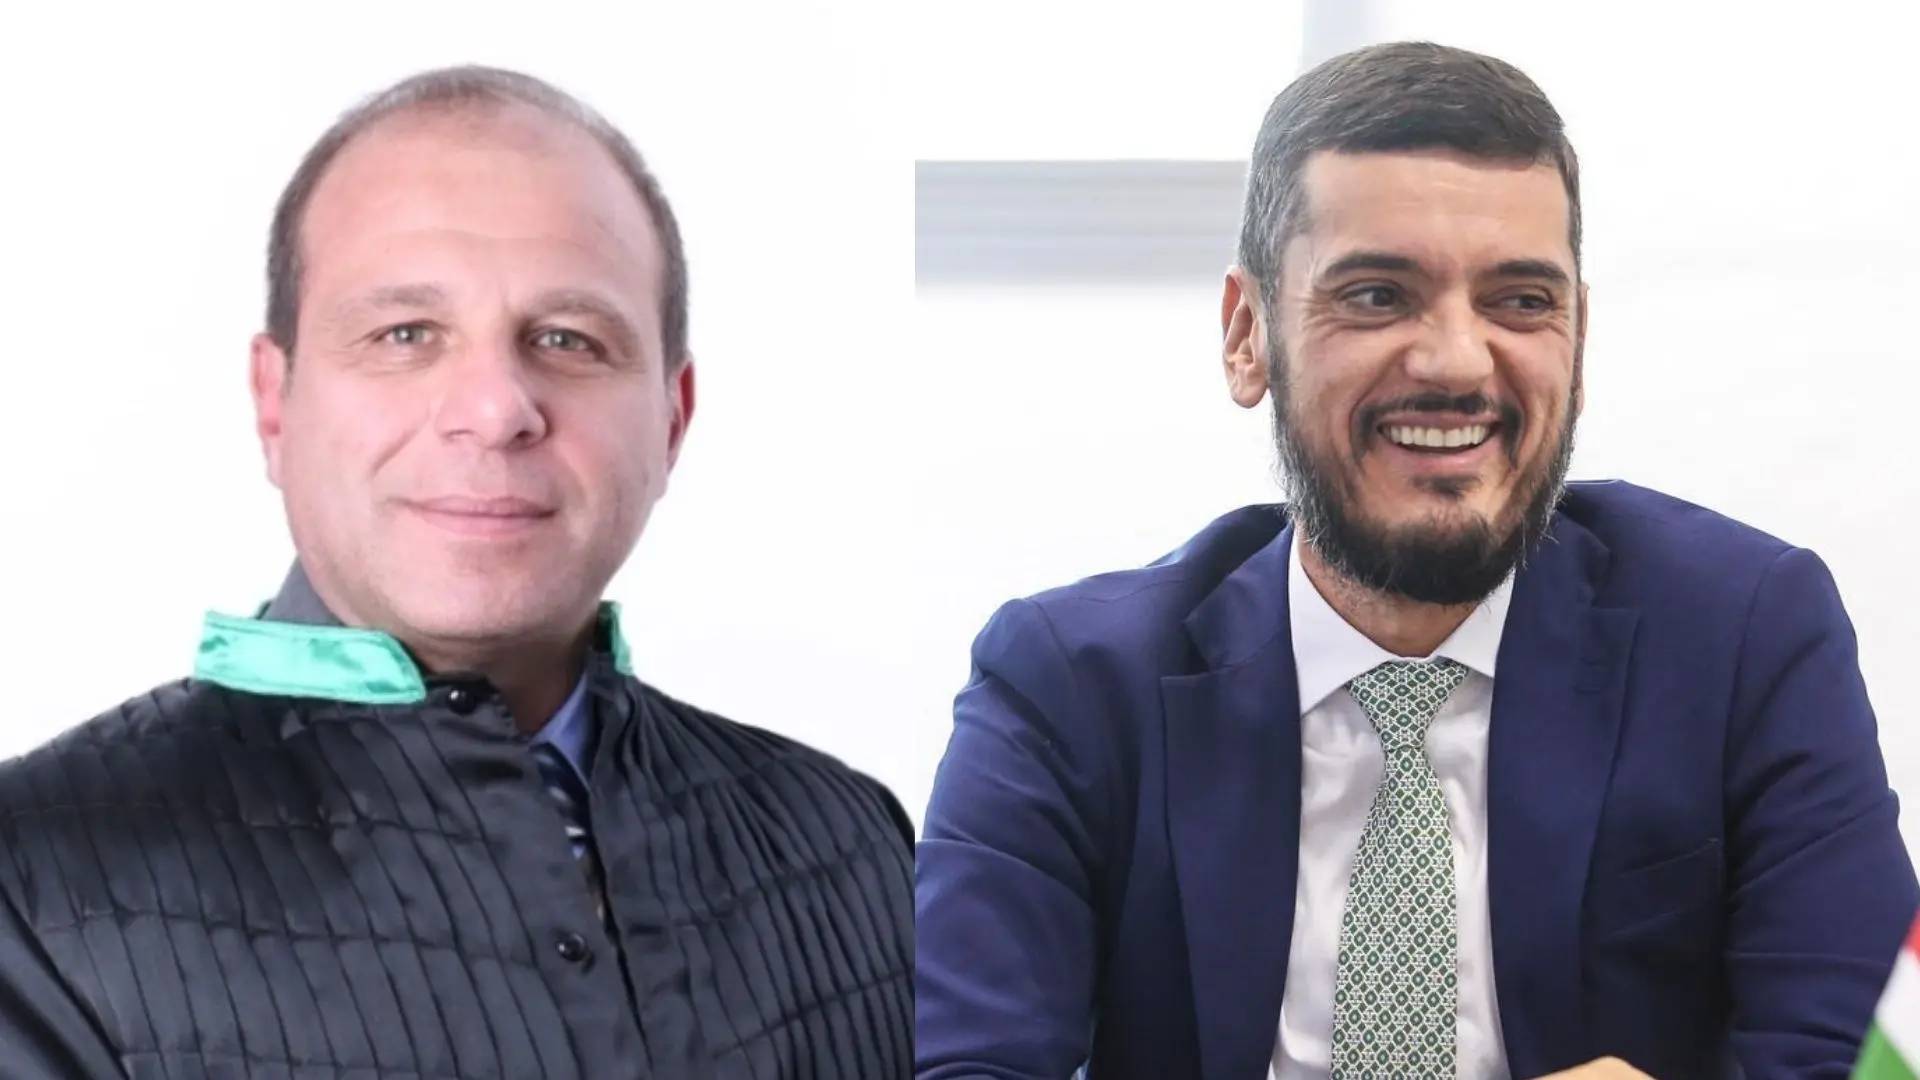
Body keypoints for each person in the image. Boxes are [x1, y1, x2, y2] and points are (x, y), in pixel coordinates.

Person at [914, 40, 1918, 1080]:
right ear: (1248, 334)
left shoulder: (1745, 636)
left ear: (1578, 344)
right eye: (1377, 295)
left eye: (1521, 301)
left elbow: (1862, 1062)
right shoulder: (1066, 687)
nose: (1456, 361)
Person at [0, 66, 913, 1079]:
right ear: (275, 402)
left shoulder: (854, 842)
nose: (495, 408)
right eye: (405, 335)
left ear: (671, 417)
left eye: (567, 339)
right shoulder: (30, 885)